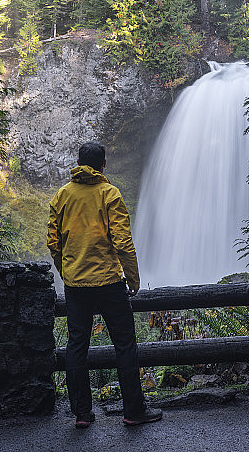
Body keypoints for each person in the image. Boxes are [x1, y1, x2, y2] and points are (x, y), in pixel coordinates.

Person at [47, 141, 163, 429]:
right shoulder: (109, 194)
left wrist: (66, 270)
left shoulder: (62, 196)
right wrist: (133, 277)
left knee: (77, 346)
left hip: (76, 285)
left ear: (78, 163)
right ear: (103, 165)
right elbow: (122, 241)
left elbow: (53, 242)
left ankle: (82, 413)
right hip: (109, 281)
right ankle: (133, 410)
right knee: (125, 345)